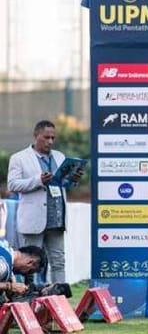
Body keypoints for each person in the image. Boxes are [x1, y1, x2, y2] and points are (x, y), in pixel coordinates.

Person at [7, 120, 82, 283]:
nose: (50, 141)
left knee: (59, 262)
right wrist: (38, 180)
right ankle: (27, 300)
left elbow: (63, 184)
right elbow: (12, 184)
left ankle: (59, 299)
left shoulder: (60, 156)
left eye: (53, 138)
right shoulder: (19, 158)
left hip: (56, 219)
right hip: (33, 219)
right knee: (29, 263)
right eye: (46, 137)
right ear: (36, 136)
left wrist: (73, 179)